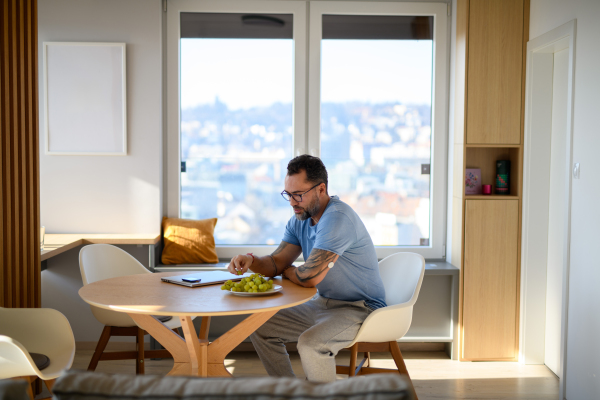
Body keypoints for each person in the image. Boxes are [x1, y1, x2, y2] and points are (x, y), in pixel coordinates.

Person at [227, 155, 386, 382]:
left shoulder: (337, 218)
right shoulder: (300, 219)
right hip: (323, 304)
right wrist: (251, 260)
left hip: (361, 308)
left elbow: (309, 276)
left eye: (298, 194)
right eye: (288, 195)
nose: (292, 202)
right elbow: (275, 263)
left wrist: (288, 271)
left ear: (321, 189)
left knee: (312, 344)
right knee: (260, 326)